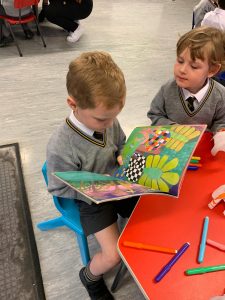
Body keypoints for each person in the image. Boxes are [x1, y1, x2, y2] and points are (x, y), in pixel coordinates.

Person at [46, 51, 138, 300]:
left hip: (119, 185)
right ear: (73, 104)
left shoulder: (108, 120)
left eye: (114, 117)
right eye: (101, 119)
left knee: (151, 213)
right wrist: (94, 188)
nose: (110, 124)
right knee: (113, 256)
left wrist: (122, 154)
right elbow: (58, 188)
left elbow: (120, 142)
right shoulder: (61, 145)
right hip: (92, 201)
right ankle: (89, 277)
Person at [147, 26, 225, 156]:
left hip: (201, 152)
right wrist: (173, 128)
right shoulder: (167, 89)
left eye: (194, 66)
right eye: (180, 61)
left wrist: (220, 132)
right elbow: (155, 114)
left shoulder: (220, 95)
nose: (182, 70)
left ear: (211, 70)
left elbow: (221, 121)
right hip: (169, 149)